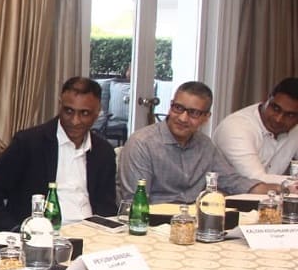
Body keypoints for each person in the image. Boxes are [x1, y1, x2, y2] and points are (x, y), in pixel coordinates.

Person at [0, 77, 117, 231]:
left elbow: (107, 208)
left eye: (84, 113)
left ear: (97, 113)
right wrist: (15, 230)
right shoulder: (30, 143)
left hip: (92, 235)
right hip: (40, 237)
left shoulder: (103, 152)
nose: (75, 121)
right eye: (68, 111)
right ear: (60, 105)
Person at [118, 80, 275, 203]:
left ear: (206, 117)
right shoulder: (142, 143)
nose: (182, 118)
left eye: (193, 113)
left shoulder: (205, 145)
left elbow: (232, 182)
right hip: (153, 224)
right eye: (178, 108)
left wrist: (280, 190)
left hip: (195, 223)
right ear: (171, 105)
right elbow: (135, 201)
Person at [213, 77, 298, 184]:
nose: (278, 119)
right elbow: (255, 179)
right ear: (266, 99)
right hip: (226, 197)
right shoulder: (236, 127)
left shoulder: (295, 129)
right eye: (275, 108)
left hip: (270, 198)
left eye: (290, 115)